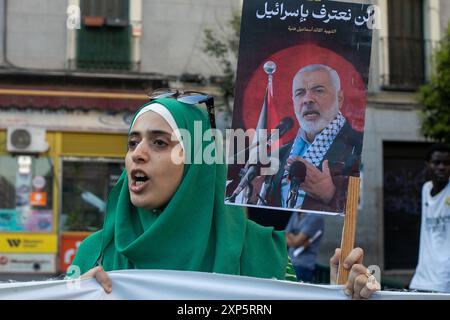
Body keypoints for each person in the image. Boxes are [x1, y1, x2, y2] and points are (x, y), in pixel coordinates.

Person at [71, 93, 379, 299]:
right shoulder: (93, 254)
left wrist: (338, 293)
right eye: (132, 143)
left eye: (160, 143)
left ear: (198, 162)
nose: (137, 154)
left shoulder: (261, 251)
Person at [263, 64, 362, 213]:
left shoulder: (360, 148)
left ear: (339, 98)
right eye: (300, 93)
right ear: (294, 101)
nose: (307, 99)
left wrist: (330, 195)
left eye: (318, 90)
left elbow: (369, 216)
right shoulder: (277, 156)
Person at [409, 143, 450, 293]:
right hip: (420, 279)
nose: (441, 167)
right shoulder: (425, 189)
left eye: (446, 163)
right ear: (428, 165)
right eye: (437, 162)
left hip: (444, 282)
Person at [285, 212, 324, 282]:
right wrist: (294, 239)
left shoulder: (316, 217)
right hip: (289, 262)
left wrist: (290, 235)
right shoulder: (295, 213)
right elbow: (285, 236)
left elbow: (297, 241)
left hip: (303, 265)